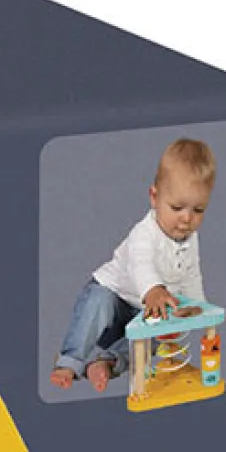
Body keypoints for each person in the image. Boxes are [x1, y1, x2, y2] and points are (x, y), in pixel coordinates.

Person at [51, 139, 214, 392]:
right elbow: (141, 263)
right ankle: (70, 361)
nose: (186, 219)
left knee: (160, 337)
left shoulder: (191, 239)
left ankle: (107, 362)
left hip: (143, 312)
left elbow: (192, 274)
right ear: (154, 197)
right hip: (115, 298)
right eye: (177, 207)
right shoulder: (144, 233)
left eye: (199, 210)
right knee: (97, 301)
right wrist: (153, 289)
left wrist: (200, 307)